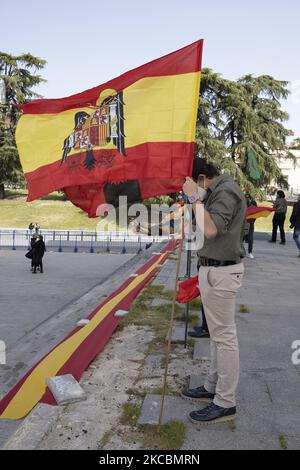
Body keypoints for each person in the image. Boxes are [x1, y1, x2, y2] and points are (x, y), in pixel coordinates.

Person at [181, 158, 246, 425]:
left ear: (201, 178)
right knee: (218, 338)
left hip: (222, 272)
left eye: (194, 185)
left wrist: (195, 199)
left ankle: (225, 402)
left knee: (225, 338)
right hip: (212, 269)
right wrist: (192, 204)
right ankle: (212, 387)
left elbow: (210, 229)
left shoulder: (226, 190)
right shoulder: (217, 191)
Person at [245, 193, 257, 259]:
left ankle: (250, 252)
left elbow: (255, 217)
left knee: (250, 239)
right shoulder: (243, 204)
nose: (247, 198)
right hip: (243, 224)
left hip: (250, 224)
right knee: (241, 238)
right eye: (246, 197)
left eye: (248, 197)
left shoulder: (253, 204)